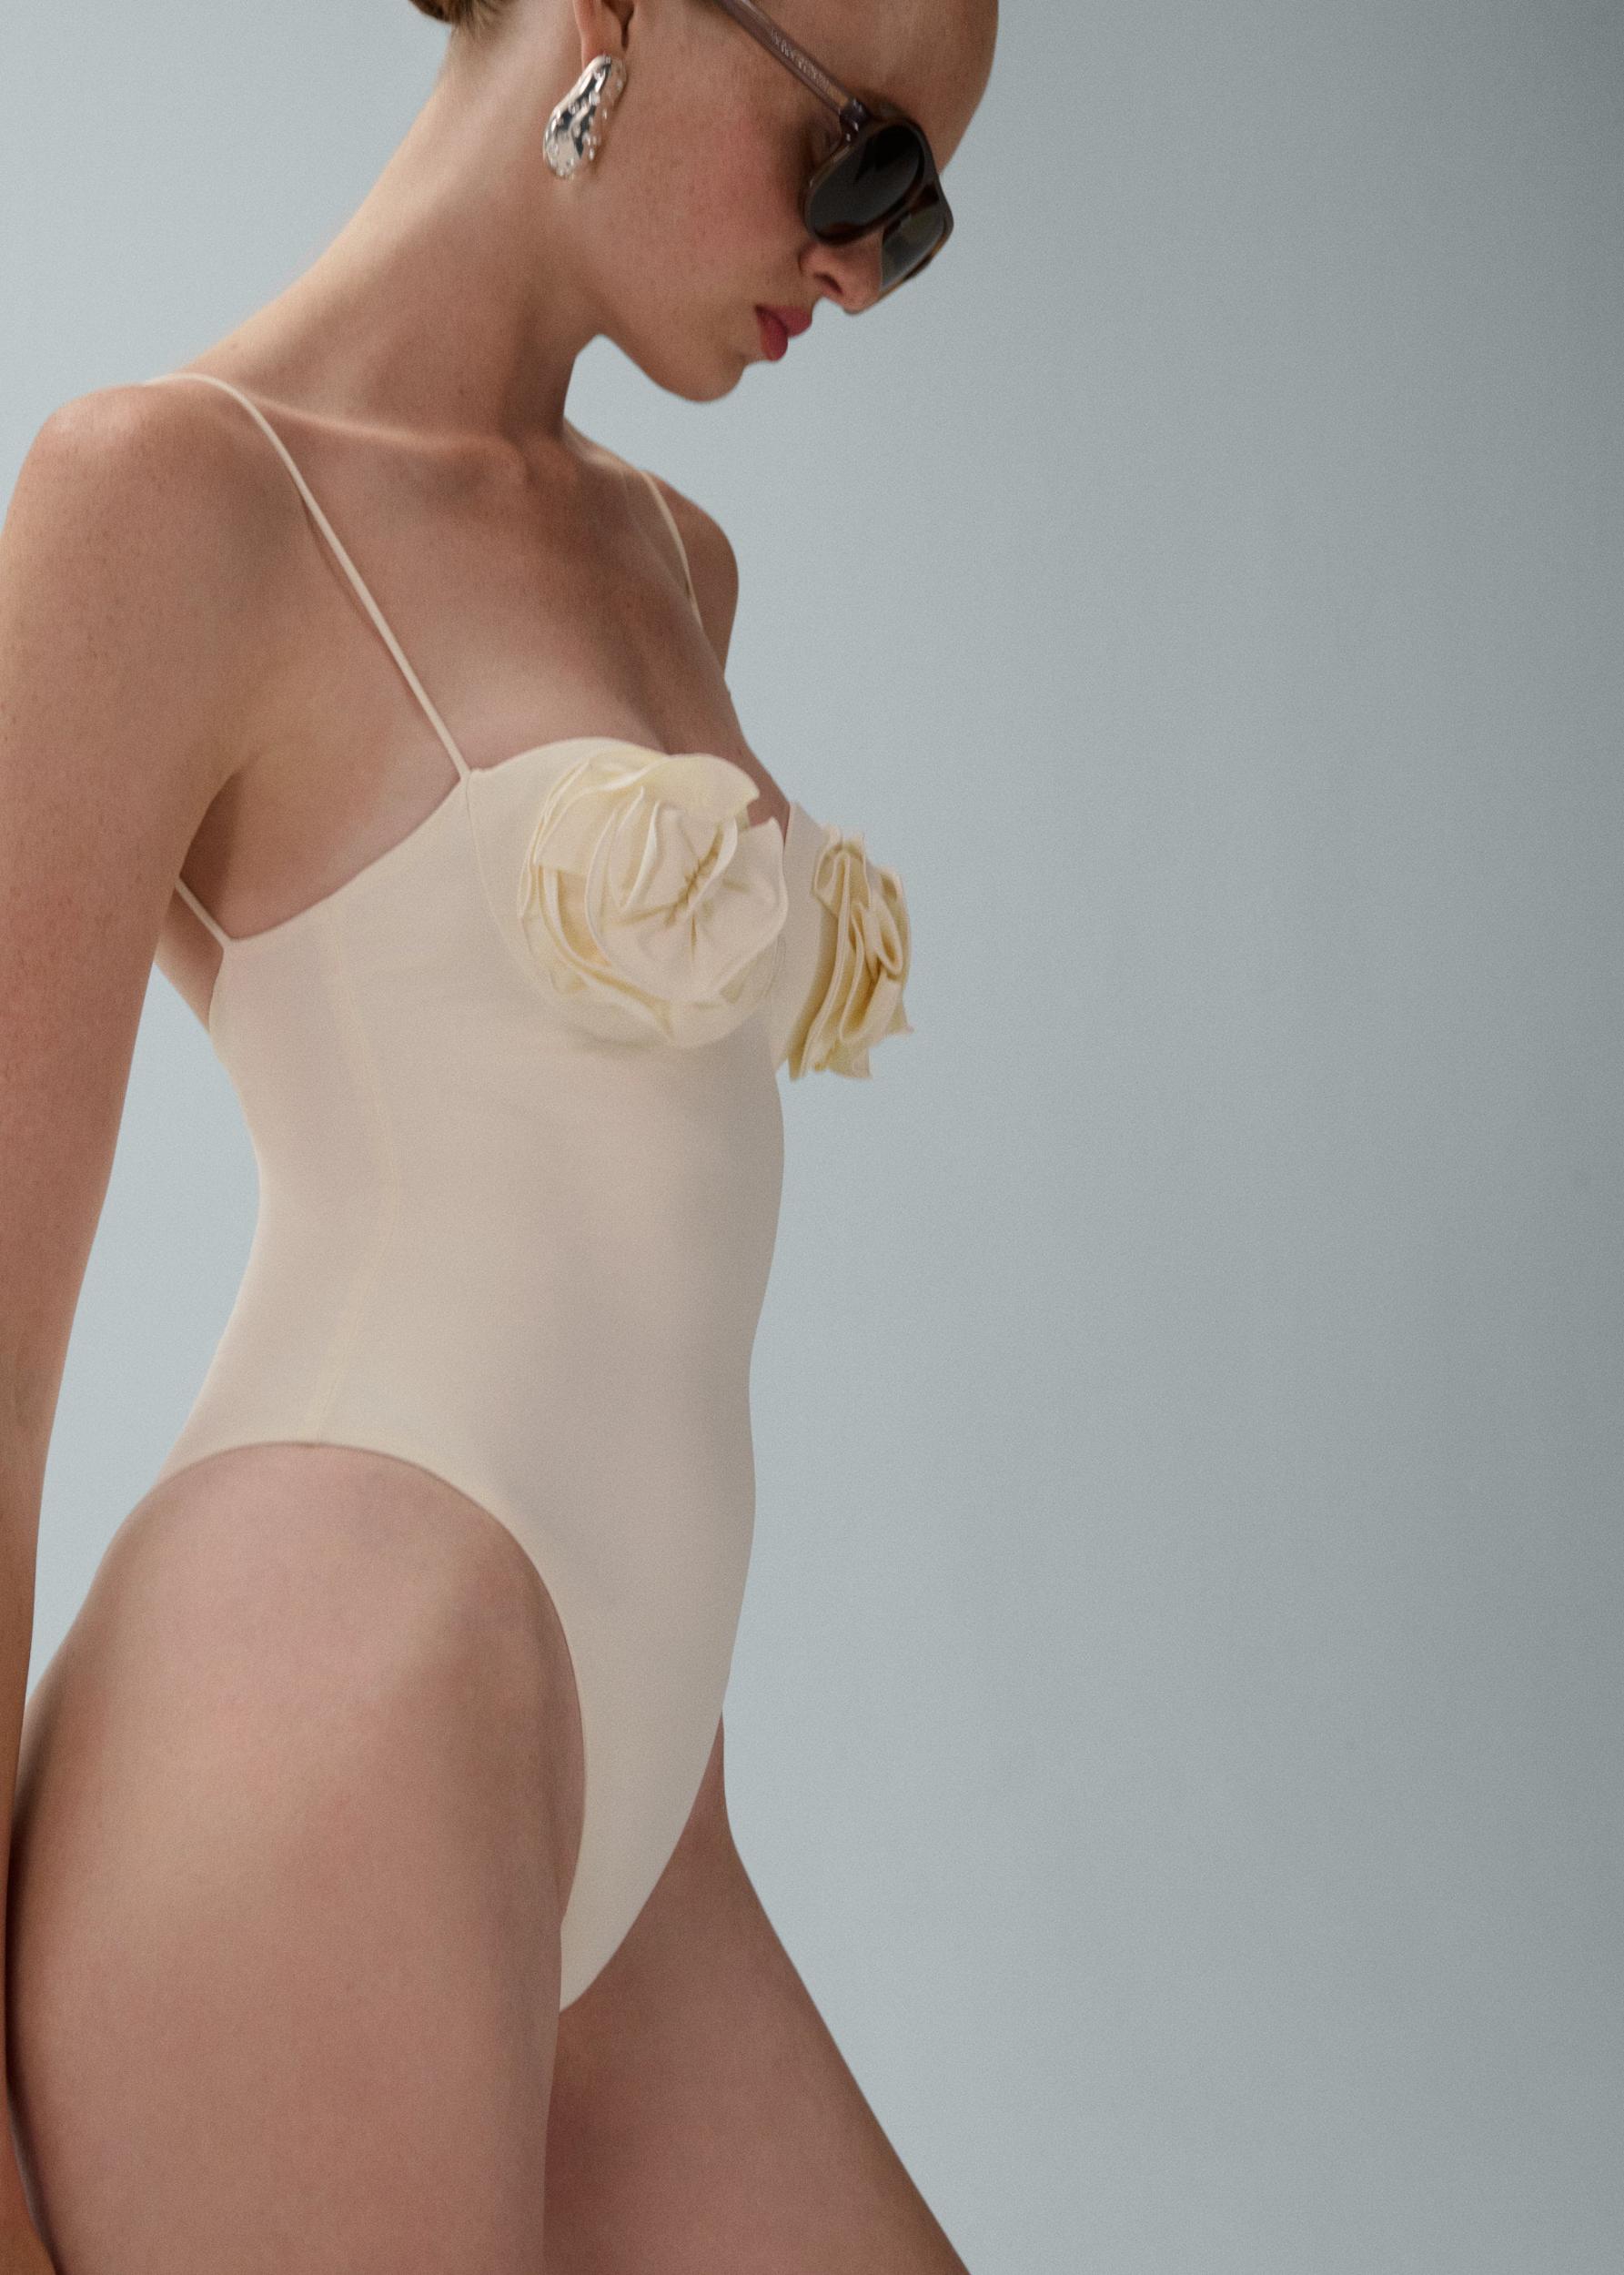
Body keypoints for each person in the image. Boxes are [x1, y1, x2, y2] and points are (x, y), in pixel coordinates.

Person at [0, 0, 996, 2263]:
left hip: (647, 1816)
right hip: (320, 1720)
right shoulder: (165, 499)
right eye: (858, 161)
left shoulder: (675, 560)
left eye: (917, 224)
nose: (858, 268)